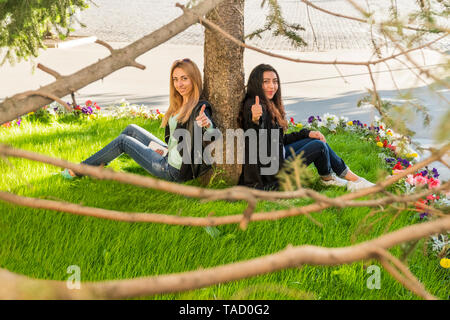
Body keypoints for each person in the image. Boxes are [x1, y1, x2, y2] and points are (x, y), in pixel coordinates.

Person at [62, 58, 215, 182]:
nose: (179, 84)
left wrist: (207, 124)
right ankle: (98, 164)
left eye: (184, 79)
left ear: (194, 79)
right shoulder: (181, 103)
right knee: (131, 129)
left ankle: (79, 170)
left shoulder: (199, 108)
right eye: (175, 79)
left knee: (123, 141)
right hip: (168, 154)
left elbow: (212, 132)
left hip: (172, 170)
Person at [238, 63, 375, 191]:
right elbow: (254, 132)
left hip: (278, 157)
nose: (272, 86)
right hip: (272, 173)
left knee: (316, 140)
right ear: (257, 83)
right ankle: (330, 178)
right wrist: (255, 119)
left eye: (275, 81)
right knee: (318, 146)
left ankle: (351, 178)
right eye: (266, 81)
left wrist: (306, 134)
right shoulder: (254, 105)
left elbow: (279, 140)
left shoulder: (270, 104)